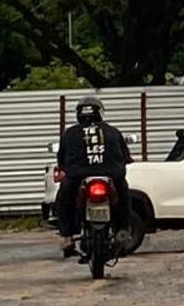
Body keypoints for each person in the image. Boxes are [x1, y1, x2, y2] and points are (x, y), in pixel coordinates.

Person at [54, 94, 133, 259]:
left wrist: (65, 168)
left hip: (77, 177)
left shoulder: (69, 134)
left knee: (64, 199)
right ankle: (122, 230)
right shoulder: (112, 131)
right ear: (100, 112)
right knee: (124, 196)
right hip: (111, 175)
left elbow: (61, 159)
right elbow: (125, 156)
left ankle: (67, 237)